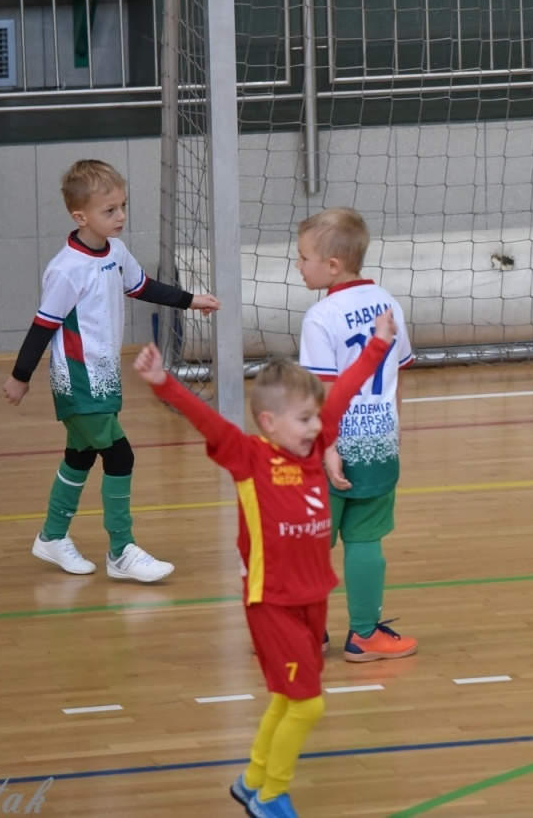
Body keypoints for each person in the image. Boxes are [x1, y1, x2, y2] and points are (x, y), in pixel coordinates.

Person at [133, 313, 395, 818]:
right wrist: (163, 382)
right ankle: (271, 795)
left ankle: (251, 779)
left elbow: (342, 393)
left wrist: (378, 346)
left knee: (286, 697)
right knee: (309, 703)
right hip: (271, 602)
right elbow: (209, 421)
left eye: (317, 419)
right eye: (304, 419)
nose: (317, 427)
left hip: (312, 597)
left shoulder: (315, 446)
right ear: (270, 423)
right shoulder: (248, 457)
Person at [4, 159, 219, 581]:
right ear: (80, 216)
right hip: (79, 379)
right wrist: (20, 376)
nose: (120, 216)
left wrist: (191, 300)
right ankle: (121, 551)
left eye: (123, 206)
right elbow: (42, 326)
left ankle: (51, 536)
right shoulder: (67, 269)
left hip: (105, 375)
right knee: (120, 455)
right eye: (110, 210)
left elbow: (142, 286)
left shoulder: (115, 252)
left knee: (80, 456)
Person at [295, 207, 419, 662]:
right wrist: (394, 427)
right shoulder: (389, 303)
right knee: (366, 540)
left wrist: (327, 448)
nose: (298, 265)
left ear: (331, 265)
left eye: (303, 257)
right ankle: (365, 635)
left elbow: (322, 394)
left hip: (331, 449)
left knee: (312, 545)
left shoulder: (321, 317)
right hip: (379, 443)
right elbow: (400, 374)